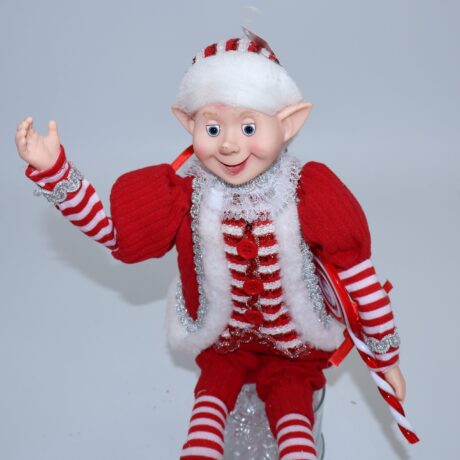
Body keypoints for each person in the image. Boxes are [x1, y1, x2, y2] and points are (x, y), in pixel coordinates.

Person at [15, 30, 405, 460]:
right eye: (213, 128)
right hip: (223, 346)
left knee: (296, 418)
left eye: (249, 127)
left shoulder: (309, 192)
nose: (230, 145)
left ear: (289, 124)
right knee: (209, 405)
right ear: (189, 124)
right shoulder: (183, 196)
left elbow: (359, 279)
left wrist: (385, 358)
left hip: (295, 352)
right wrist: (57, 173)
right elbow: (114, 234)